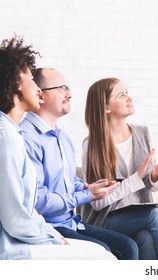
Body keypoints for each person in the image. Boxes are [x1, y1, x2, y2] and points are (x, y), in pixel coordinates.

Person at [0, 36, 115, 260]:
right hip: (16, 245)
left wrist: (83, 188)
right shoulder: (8, 137)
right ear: (15, 83)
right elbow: (16, 218)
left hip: (36, 233)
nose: (38, 89)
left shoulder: (13, 132)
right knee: (105, 258)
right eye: (32, 80)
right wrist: (51, 235)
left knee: (109, 252)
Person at [19, 68, 139, 260]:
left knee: (127, 246)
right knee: (105, 253)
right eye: (62, 88)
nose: (69, 94)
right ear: (40, 95)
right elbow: (39, 201)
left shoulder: (62, 137)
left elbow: (65, 179)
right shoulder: (26, 137)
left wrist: (85, 186)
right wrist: (86, 195)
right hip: (48, 226)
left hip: (70, 222)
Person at [80, 77, 158, 260]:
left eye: (127, 92)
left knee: (146, 238)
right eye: (121, 95)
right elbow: (97, 203)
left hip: (138, 217)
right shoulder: (92, 145)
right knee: (154, 215)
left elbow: (152, 187)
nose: (129, 98)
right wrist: (136, 179)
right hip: (106, 220)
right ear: (106, 107)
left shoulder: (142, 134)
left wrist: (154, 178)